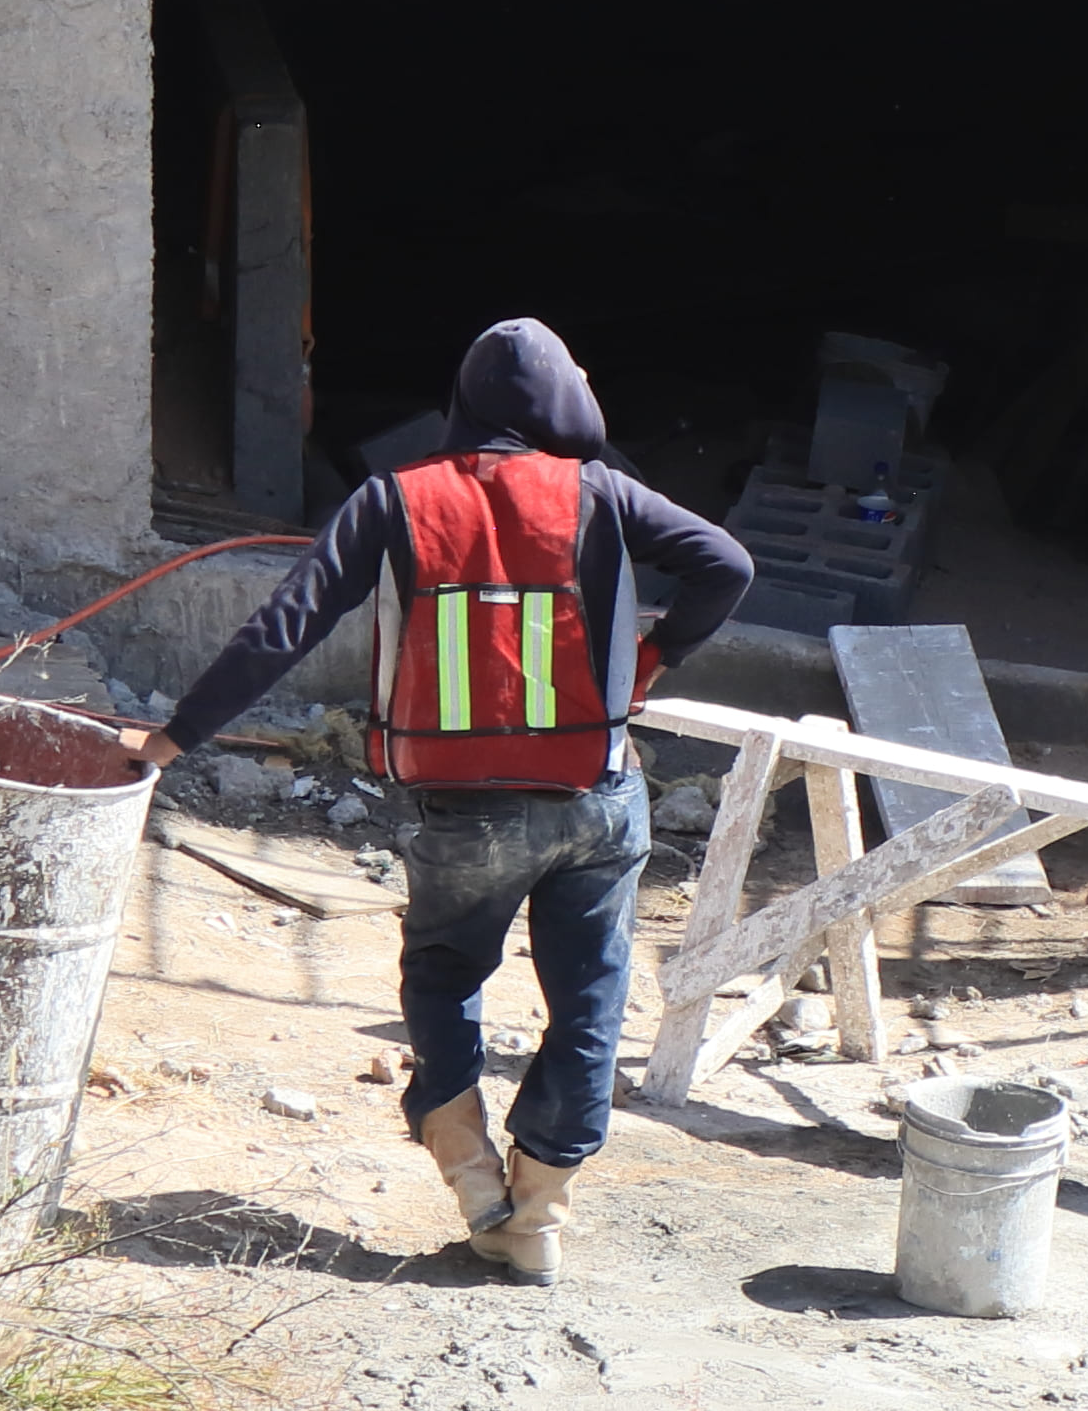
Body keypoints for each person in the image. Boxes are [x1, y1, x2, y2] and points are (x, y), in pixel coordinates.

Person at [122, 317, 754, 1282]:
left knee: (444, 974)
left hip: (458, 808)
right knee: (587, 994)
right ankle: (535, 1214)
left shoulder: (394, 498)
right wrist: (654, 657)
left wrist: (170, 738)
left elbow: (283, 623)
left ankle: (471, 1178)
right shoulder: (602, 492)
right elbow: (727, 564)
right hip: (595, 789)